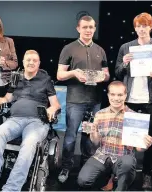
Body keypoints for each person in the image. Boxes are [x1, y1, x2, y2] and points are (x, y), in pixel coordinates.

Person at [0, 50, 60, 191]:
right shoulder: (16, 78)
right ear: (23, 62)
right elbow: (7, 98)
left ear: (39, 63)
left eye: (34, 60)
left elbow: (55, 104)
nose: (31, 62)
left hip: (37, 122)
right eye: (28, 60)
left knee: (29, 144)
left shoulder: (45, 80)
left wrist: (51, 109)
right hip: (14, 120)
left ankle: (11, 188)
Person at [115, 12, 152, 190]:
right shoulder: (126, 47)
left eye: (144, 25)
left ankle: (147, 174)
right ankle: (123, 173)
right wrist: (124, 63)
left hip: (151, 101)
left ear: (151, 26)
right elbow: (117, 72)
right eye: (138, 26)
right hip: (130, 100)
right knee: (126, 139)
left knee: (149, 141)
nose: (141, 29)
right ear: (135, 28)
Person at [57, 15, 110, 183]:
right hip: (75, 101)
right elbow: (59, 74)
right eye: (85, 27)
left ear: (94, 29)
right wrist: (74, 73)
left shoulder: (100, 50)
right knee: (71, 136)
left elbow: (107, 75)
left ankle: (86, 167)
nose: (88, 30)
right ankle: (66, 167)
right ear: (78, 28)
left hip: (95, 101)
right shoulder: (69, 48)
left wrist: (103, 77)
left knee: (90, 136)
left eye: (91, 27)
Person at [77, 81, 152, 191]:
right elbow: (95, 143)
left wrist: (145, 145)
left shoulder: (134, 117)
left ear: (125, 95)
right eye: (112, 94)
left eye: (120, 95)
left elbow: (139, 149)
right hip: (102, 155)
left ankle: (120, 187)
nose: (116, 98)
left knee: (127, 164)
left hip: (123, 157)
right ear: (108, 95)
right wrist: (93, 132)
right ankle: (108, 178)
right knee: (83, 180)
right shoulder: (100, 114)